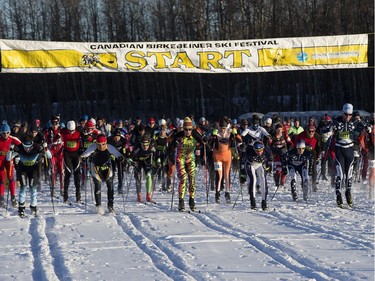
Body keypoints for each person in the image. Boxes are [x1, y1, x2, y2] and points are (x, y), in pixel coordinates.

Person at [167, 117, 206, 211]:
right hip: (180, 158)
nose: (188, 131)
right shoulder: (178, 135)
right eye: (186, 129)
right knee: (183, 178)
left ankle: (191, 200)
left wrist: (202, 157)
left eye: (190, 129)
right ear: (182, 129)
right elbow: (169, 149)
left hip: (190, 158)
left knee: (192, 178)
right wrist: (174, 146)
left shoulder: (195, 134)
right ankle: (181, 201)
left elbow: (203, 145)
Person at [80, 134, 124, 214]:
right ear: (96, 143)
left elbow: (118, 154)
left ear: (106, 142)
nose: (101, 146)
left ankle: (110, 205)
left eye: (103, 144)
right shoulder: (93, 147)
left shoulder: (110, 147)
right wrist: (83, 158)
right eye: (99, 144)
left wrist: (120, 158)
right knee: (98, 185)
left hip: (107, 167)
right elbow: (85, 154)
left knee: (110, 185)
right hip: (95, 167)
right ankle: (99, 206)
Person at [209, 118, 242, 203]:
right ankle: (217, 194)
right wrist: (212, 136)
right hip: (217, 156)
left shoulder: (230, 132)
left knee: (227, 175)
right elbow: (209, 142)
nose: (222, 130)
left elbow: (240, 140)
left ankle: (227, 193)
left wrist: (236, 133)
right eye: (221, 128)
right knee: (219, 175)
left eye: (224, 128)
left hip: (227, 156)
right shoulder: (216, 133)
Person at [14, 137, 49, 217]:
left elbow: (49, 156)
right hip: (23, 170)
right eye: (25, 147)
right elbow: (9, 157)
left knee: (33, 188)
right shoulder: (19, 148)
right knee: (23, 187)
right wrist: (11, 150)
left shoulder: (37, 147)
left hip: (33, 170)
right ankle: (21, 208)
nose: (27, 149)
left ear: (32, 145)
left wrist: (45, 148)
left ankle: (33, 206)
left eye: (29, 147)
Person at [331, 103, 358, 208]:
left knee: (349, 174)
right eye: (346, 114)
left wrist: (367, 129)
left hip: (350, 150)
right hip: (339, 149)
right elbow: (328, 126)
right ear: (343, 113)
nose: (347, 117)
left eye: (349, 115)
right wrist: (331, 128)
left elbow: (364, 128)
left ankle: (348, 192)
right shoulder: (337, 121)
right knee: (340, 174)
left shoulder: (355, 121)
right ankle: (338, 194)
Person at [244, 140, 273, 210]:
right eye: (257, 151)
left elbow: (270, 159)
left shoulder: (267, 151)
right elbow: (243, 162)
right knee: (253, 180)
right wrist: (242, 174)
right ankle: (253, 202)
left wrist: (269, 166)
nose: (259, 152)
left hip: (260, 164)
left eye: (261, 150)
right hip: (251, 164)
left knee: (263, 179)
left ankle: (264, 202)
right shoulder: (249, 152)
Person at [128, 134, 157, 203]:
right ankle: (139, 195)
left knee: (149, 175)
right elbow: (129, 158)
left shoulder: (152, 146)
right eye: (143, 145)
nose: (145, 147)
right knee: (138, 177)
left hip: (146, 161)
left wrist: (157, 162)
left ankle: (148, 195)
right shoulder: (137, 148)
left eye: (147, 145)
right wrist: (132, 162)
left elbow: (156, 155)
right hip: (137, 161)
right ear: (140, 144)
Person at [60, 120, 82, 203]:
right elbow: (56, 132)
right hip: (67, 154)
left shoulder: (79, 131)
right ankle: (65, 195)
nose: (71, 132)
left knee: (77, 173)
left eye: (72, 131)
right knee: (68, 173)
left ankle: (78, 195)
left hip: (76, 154)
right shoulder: (63, 131)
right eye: (69, 130)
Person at [0, 123, 21, 208]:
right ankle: (1, 197)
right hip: (1, 160)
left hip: (9, 160)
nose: (6, 135)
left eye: (7, 132)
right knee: (2, 178)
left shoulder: (13, 139)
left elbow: (22, 147)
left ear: (9, 132)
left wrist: (16, 154)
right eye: (3, 133)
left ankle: (13, 197)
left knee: (11, 177)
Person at [295, 124, 321, 192]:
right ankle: (304, 183)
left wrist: (318, 156)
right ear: (306, 131)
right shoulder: (301, 136)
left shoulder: (317, 136)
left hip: (313, 153)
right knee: (304, 169)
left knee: (314, 169)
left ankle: (314, 184)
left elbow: (319, 148)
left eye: (313, 131)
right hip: (303, 152)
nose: (311, 133)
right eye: (309, 131)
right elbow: (296, 145)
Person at [44, 115, 65, 196]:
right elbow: (44, 142)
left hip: (60, 152)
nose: (54, 124)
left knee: (61, 171)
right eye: (53, 122)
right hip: (52, 152)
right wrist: (46, 149)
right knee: (53, 171)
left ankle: (62, 188)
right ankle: (53, 188)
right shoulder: (48, 131)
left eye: (56, 122)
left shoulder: (62, 130)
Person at [107, 128, 127, 194]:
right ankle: (110, 186)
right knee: (112, 171)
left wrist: (124, 153)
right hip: (112, 156)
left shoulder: (123, 140)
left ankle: (120, 186)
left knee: (120, 171)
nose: (117, 138)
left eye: (118, 137)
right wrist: (110, 154)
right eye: (115, 137)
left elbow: (126, 147)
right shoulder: (109, 140)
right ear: (113, 137)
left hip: (119, 156)